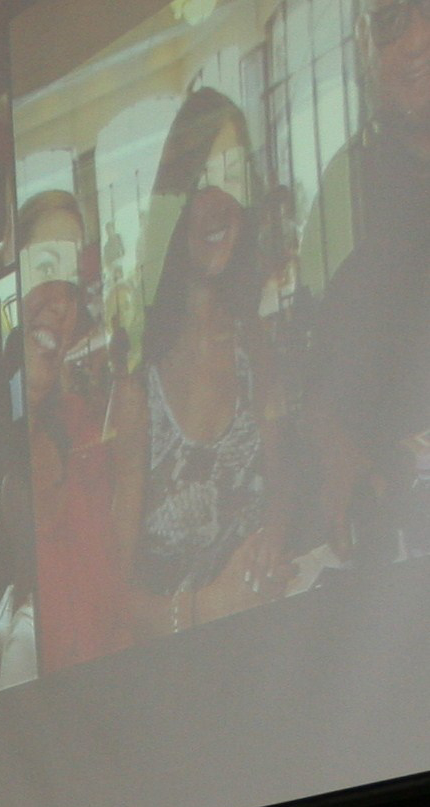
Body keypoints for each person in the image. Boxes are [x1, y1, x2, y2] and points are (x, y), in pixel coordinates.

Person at [119, 90, 287, 637]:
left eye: (231, 176)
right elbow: (105, 604)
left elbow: (280, 491)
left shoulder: (253, 345)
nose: (218, 202)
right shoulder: (134, 391)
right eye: (200, 183)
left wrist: (271, 542)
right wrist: (207, 606)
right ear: (174, 200)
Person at [304, 0, 430, 563]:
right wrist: (335, 444)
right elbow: (319, 369)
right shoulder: (341, 192)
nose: (417, 41)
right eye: (391, 22)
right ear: (362, 46)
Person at [13, 192, 128, 674]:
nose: (60, 303)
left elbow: (119, 586)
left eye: (72, 286)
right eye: (43, 268)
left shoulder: (89, 428)